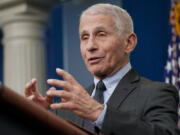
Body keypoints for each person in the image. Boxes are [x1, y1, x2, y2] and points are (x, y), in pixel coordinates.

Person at [24, 3, 180, 135]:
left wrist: (99, 113)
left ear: (129, 43)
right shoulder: (66, 108)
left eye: (101, 34)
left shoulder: (157, 93)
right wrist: (40, 118)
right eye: (84, 37)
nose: (90, 46)